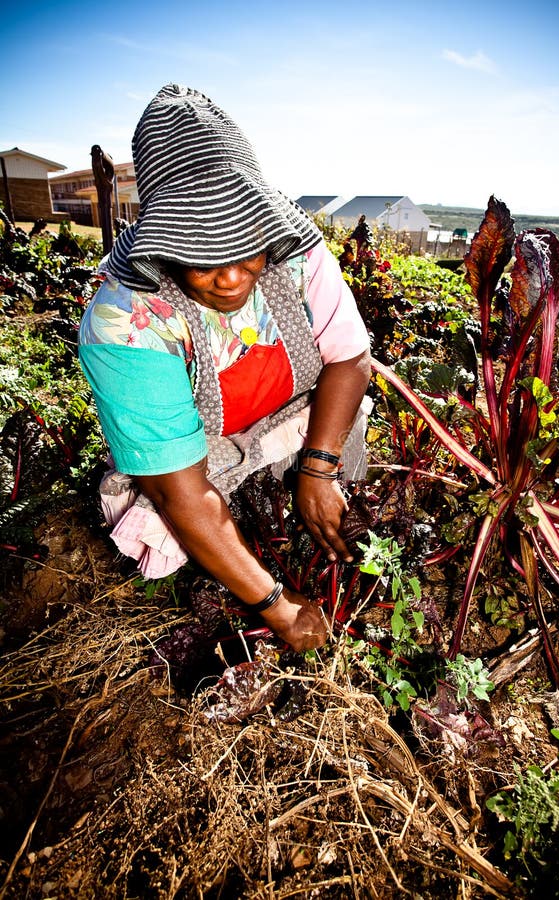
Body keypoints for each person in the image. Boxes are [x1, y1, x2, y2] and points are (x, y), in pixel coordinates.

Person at [78, 84, 371, 652]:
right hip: (197, 468)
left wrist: (318, 467)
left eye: (245, 245)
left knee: (344, 429)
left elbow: (352, 358)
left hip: (289, 428)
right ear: (165, 240)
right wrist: (277, 607)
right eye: (200, 253)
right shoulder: (124, 321)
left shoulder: (300, 259)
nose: (232, 277)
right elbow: (178, 491)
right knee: (165, 525)